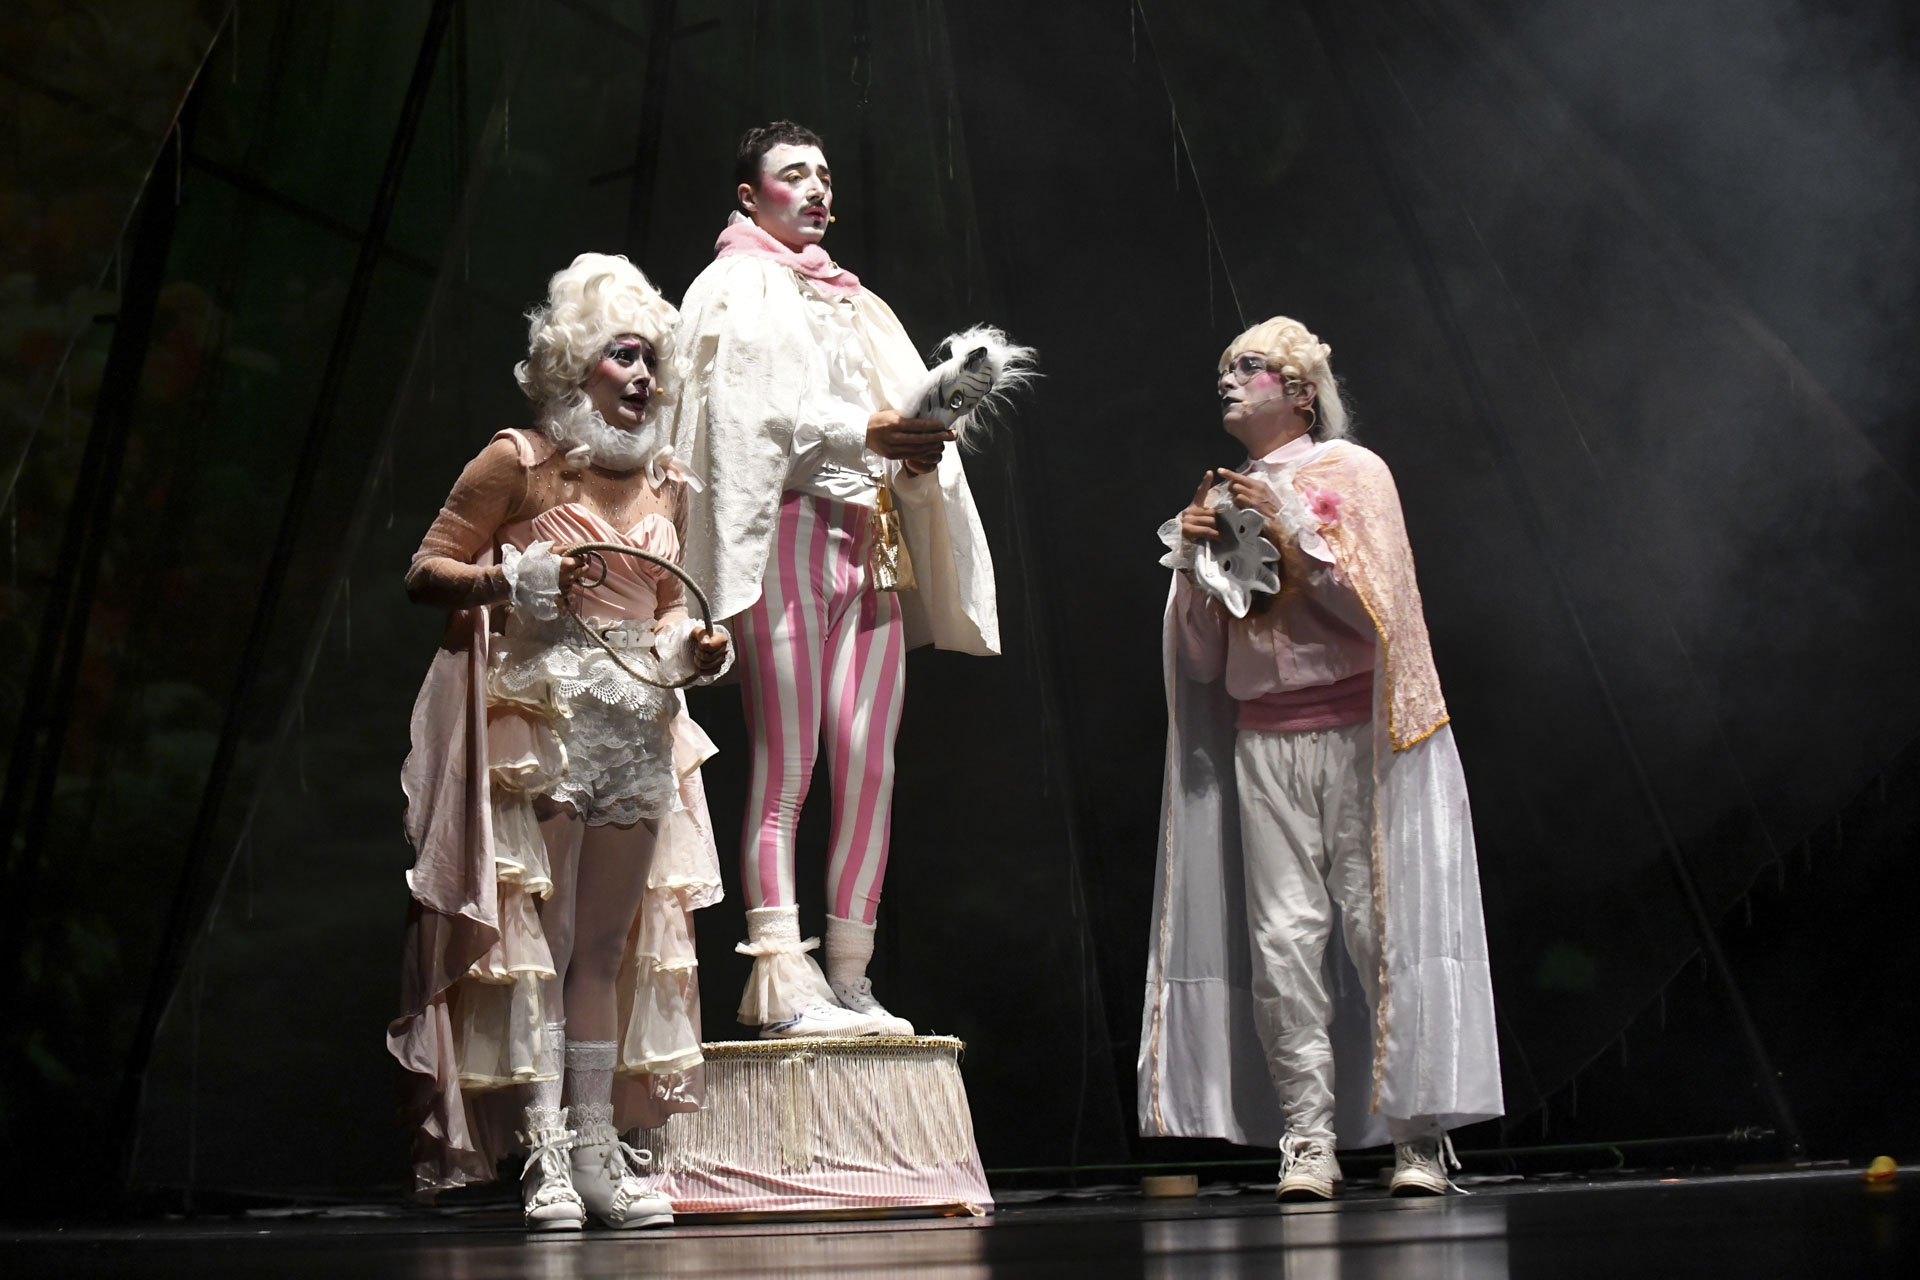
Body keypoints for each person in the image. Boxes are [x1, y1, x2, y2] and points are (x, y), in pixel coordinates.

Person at [389, 254, 732, 1230]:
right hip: (543, 715)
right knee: (547, 943)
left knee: (607, 950)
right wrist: (512, 581)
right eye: (625, 355)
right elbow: (425, 570)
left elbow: (670, 609)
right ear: (577, 363)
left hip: (636, 724)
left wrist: (696, 647)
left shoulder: (667, 481)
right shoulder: (521, 460)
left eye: (652, 359)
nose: (643, 377)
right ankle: (543, 1152)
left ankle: (594, 1151)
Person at [1138, 316, 1503, 1199]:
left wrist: (1290, 525)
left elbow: (1378, 612)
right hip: (1265, 739)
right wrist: (1192, 561)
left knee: (1381, 928)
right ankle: (1308, 1139)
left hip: (1362, 737)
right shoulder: (1222, 493)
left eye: (1250, 368)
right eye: (1225, 368)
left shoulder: (1353, 472)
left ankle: (1418, 1136)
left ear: (1300, 392)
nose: (1229, 380)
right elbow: (1202, 662)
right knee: (1283, 940)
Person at [669, 121, 1001, 1038]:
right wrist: (868, 432)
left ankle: (850, 975)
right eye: (793, 175)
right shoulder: (731, 286)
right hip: (787, 533)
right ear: (750, 196)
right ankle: (781, 976)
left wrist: (917, 448)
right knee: (789, 764)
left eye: (823, 175)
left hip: (871, 537)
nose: (816, 189)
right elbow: (747, 420)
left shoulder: (856, 301)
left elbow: (891, 413)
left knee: (869, 763)